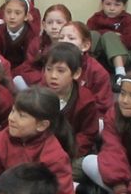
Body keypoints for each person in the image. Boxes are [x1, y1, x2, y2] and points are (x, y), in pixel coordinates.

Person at [42, 43, 102, 181]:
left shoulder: (85, 99)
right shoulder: (39, 95)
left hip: (71, 152)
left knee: (82, 167)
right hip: (42, 149)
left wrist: (65, 153)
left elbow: (88, 134)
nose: (53, 76)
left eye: (60, 71)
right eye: (49, 69)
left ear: (76, 73)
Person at [85, 0, 131, 90]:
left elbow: (130, 41)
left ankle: (120, 75)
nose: (112, 8)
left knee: (109, 36)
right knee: (92, 34)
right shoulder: (96, 18)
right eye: (108, 4)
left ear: (124, 6)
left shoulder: (127, 19)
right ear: (102, 4)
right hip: (100, 58)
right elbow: (85, 37)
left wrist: (112, 37)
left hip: (122, 58)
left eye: (117, 5)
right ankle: (86, 69)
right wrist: (107, 33)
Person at [13, 4, 72, 90]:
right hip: (40, 84)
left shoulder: (73, 44)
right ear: (44, 25)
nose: (54, 27)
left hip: (64, 85)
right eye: (50, 23)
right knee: (18, 80)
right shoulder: (37, 43)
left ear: (68, 24)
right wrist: (44, 81)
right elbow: (28, 68)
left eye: (59, 23)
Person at [58, 21, 114, 112]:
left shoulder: (97, 71)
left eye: (71, 38)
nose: (64, 41)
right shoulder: (52, 62)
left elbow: (103, 105)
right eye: (61, 38)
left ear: (85, 46)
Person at [0, 0, 41, 71]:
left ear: (26, 16)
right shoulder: (0, 32)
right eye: (8, 12)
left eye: (17, 13)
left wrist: (16, 73)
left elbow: (30, 60)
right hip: (4, 69)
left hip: (25, 70)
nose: (12, 17)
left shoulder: (32, 34)